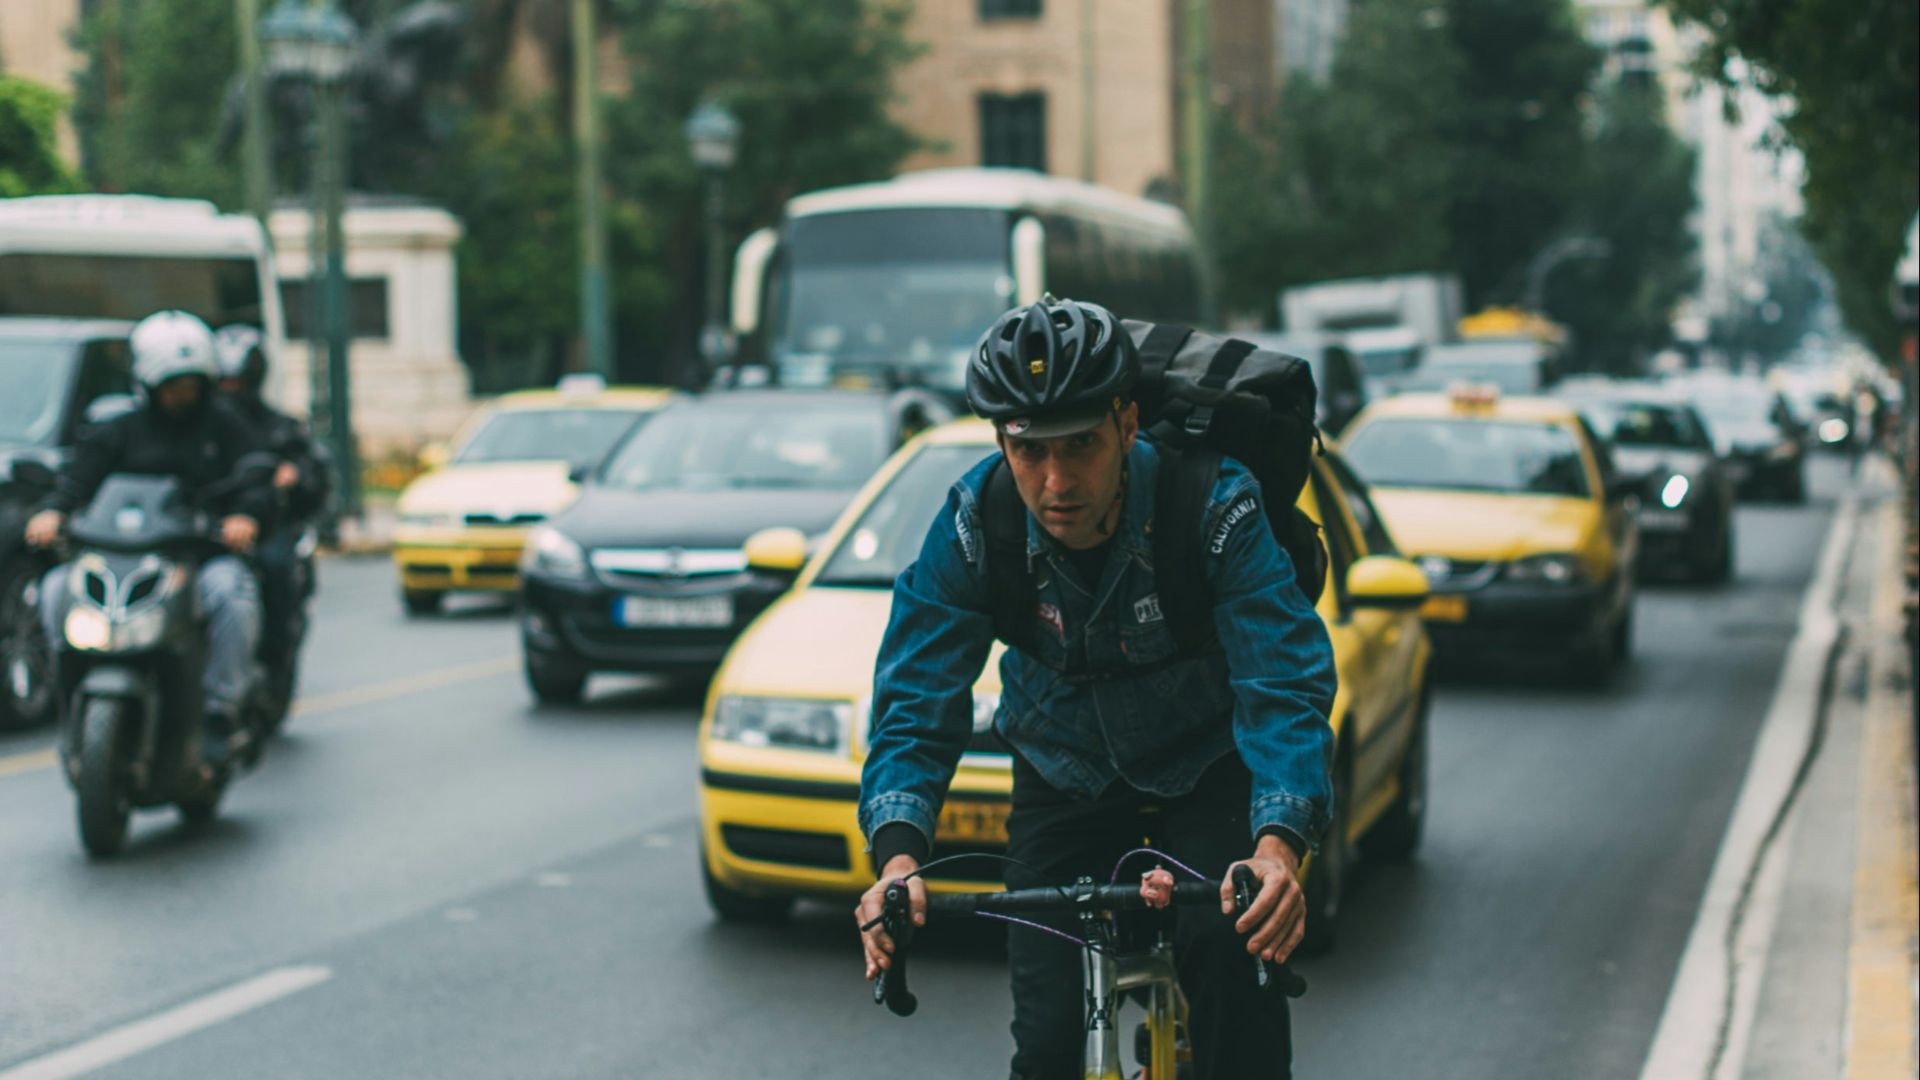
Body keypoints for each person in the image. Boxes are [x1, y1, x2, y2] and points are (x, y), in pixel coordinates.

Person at [854, 299, 1337, 1079]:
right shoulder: (977, 522)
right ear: (1000, 442)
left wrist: (1277, 847)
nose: (1055, 481)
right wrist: (898, 860)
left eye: (1080, 444)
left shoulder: (1215, 504)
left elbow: (1281, 682)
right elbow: (916, 699)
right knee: (1044, 1048)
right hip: (1062, 771)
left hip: (1207, 763)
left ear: (1126, 422)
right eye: (1029, 449)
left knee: (1232, 968)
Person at [24, 311, 272, 768]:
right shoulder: (117, 429)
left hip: (195, 558)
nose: (183, 393)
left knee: (233, 594)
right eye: (172, 384)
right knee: (57, 588)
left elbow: (255, 475)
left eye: (192, 383)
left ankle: (220, 711)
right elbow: (78, 478)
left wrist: (245, 515)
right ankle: (69, 697)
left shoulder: (225, 426)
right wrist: (54, 512)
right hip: (116, 557)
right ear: (147, 382)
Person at [213, 324, 331, 661]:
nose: (229, 391)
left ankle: (273, 653)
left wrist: (294, 476)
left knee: (275, 566)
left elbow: (314, 473)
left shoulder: (279, 426)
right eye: (223, 383)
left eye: (236, 383)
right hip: (205, 521)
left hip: (265, 525)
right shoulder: (199, 428)